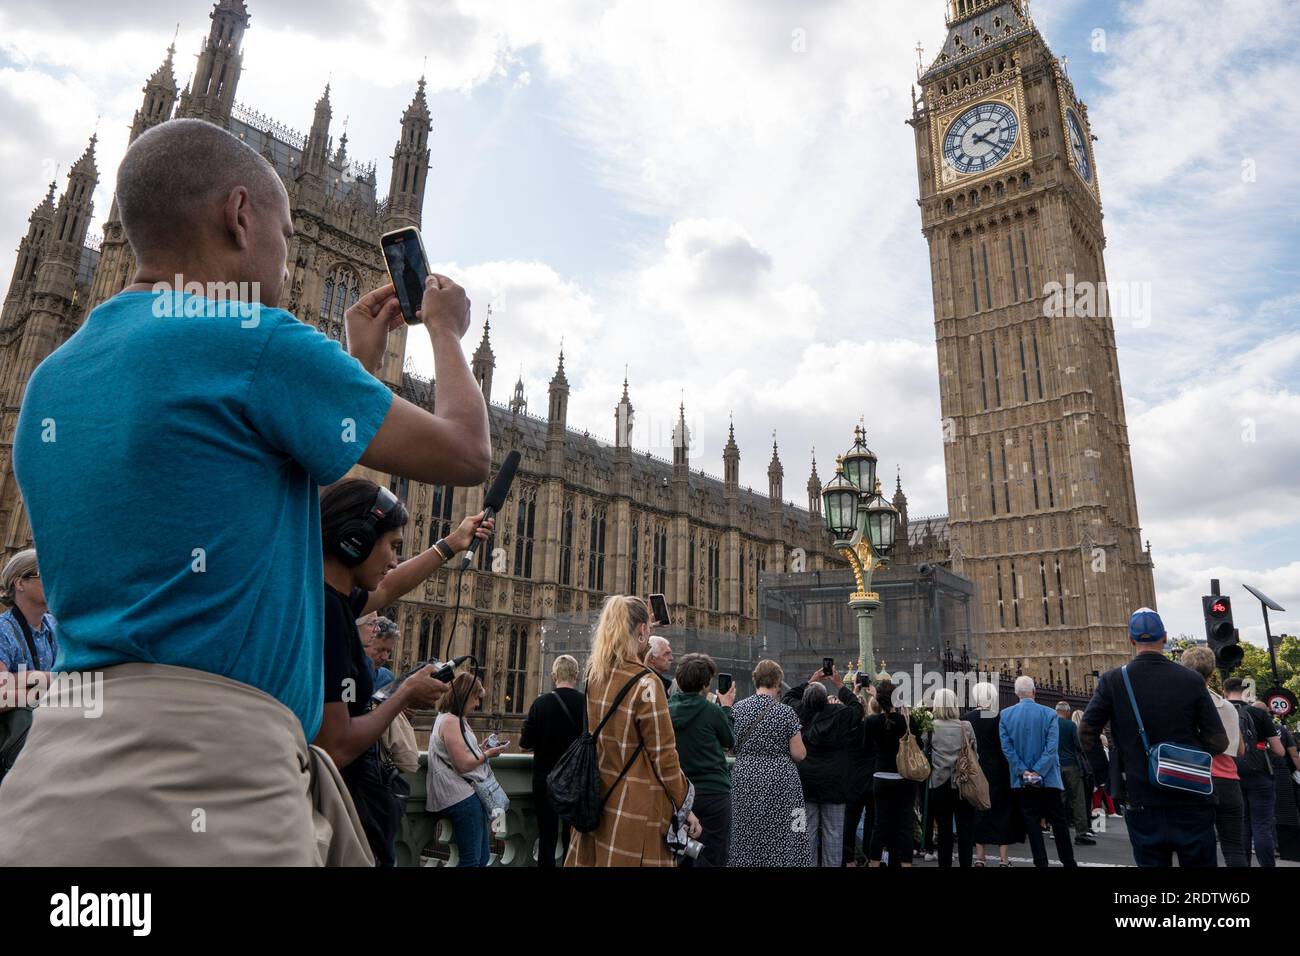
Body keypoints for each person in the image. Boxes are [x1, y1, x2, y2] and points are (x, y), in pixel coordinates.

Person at [0, 118, 492, 865]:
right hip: (212, 786)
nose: (291, 268)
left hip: (58, 777)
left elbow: (237, 478)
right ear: (239, 216)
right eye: (289, 238)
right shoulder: (256, 340)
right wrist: (446, 331)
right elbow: (466, 451)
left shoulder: (50, 380)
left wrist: (347, 369)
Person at [312, 478, 493, 864]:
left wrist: (450, 543)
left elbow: (388, 588)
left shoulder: (333, 599)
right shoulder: (326, 612)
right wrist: (404, 694)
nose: (394, 560)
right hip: (336, 811)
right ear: (355, 541)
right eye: (392, 546)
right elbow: (337, 745)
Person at [1080, 609, 1229, 868]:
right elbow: (1218, 740)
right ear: (1165, 637)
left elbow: (1086, 732)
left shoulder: (1113, 680)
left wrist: (1107, 775)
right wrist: (1186, 757)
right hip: (1190, 795)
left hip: (1140, 795)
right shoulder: (1191, 679)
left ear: (1131, 640)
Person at [566, 596, 699, 867]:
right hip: (635, 808)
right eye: (646, 630)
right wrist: (686, 807)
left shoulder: (595, 674)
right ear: (640, 631)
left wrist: (644, 630)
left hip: (598, 798)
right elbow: (665, 758)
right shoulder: (648, 684)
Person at [729, 659, 811, 867]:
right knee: (786, 831)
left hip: (745, 777)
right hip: (781, 781)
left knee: (746, 830)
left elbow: (730, 745)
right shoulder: (785, 713)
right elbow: (799, 754)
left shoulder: (738, 709)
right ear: (777, 681)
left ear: (755, 680)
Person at [784, 667, 865, 867]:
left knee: (805, 832)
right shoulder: (840, 714)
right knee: (834, 835)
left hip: (804, 782)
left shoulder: (798, 712)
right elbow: (858, 708)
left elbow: (787, 697)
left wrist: (810, 680)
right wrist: (839, 685)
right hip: (835, 784)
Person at [427, 673, 508, 867]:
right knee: (471, 859)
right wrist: (489, 755)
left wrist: (481, 748)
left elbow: (462, 753)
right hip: (461, 797)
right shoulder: (450, 721)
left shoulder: (455, 719)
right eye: (476, 697)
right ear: (464, 695)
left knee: (482, 858)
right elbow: (462, 764)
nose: (477, 703)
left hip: (465, 795)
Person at [1000, 676, 1077, 868]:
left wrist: (1025, 772)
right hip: (1049, 778)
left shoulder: (1005, 715)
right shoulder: (1050, 714)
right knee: (1059, 822)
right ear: (1034, 692)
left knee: (1032, 824)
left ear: (1016, 694)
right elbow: (1052, 749)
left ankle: (1041, 862)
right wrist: (1038, 771)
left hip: (1022, 781)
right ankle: (1068, 861)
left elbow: (1007, 748)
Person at [1179, 647, 1246, 866]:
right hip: (1228, 782)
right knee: (1234, 847)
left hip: (1196, 781)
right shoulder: (1227, 706)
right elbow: (1240, 750)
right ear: (1212, 671)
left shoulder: (1180, 702)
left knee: (1199, 847)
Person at [667, 652, 736, 867]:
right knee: (713, 855)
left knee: (679, 853)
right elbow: (729, 741)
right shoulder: (711, 711)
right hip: (714, 793)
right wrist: (726, 707)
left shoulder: (664, 711)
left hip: (680, 793)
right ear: (705, 684)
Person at [520, 654, 585, 867]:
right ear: (576, 675)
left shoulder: (540, 704)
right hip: (574, 780)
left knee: (547, 836)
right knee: (572, 837)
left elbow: (524, 743)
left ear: (553, 676)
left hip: (545, 779)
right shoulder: (586, 704)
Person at [864, 679, 924, 868]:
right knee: (905, 825)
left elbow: (866, 748)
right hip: (904, 777)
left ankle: (874, 863)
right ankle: (906, 864)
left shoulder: (871, 721)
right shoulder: (906, 721)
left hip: (881, 776)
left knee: (880, 825)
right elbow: (920, 745)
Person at [1223, 678, 1283, 867]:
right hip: (1259, 773)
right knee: (1262, 826)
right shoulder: (1258, 713)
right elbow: (1279, 750)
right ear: (1244, 692)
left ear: (1225, 692)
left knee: (1241, 826)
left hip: (1230, 773)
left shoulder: (1219, 711)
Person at [963, 682, 1023, 867]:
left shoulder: (967, 718)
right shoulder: (1000, 717)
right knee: (1002, 812)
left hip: (977, 771)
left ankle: (980, 857)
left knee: (979, 811)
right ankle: (1004, 859)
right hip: (1000, 770)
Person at [927, 688, 977, 868]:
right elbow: (974, 755)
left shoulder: (930, 727)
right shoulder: (966, 726)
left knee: (944, 830)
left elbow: (926, 754)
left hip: (939, 783)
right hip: (963, 782)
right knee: (965, 830)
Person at [843, 676, 876, 866]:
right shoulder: (871, 726)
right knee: (872, 820)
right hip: (871, 779)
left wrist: (854, 693)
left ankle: (848, 859)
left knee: (850, 821)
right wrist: (876, 694)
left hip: (853, 780)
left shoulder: (848, 729)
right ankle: (869, 856)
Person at [1056, 700, 1094, 846]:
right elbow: (1078, 745)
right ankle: (1081, 833)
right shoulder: (1070, 725)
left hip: (1056, 766)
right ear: (1067, 711)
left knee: (1060, 799)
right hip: (1071, 765)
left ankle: (1057, 831)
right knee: (1078, 799)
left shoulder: (1051, 725)